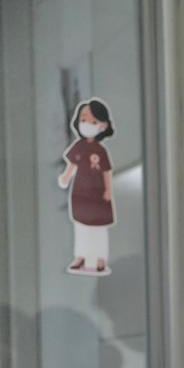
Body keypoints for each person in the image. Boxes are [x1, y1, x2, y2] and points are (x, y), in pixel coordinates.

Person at [57, 98, 117, 275]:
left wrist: (108, 190)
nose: (87, 125)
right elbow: (72, 166)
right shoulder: (79, 147)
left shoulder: (101, 151)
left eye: (92, 121)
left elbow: (106, 171)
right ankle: (80, 256)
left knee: (99, 229)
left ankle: (100, 258)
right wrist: (65, 178)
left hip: (98, 196)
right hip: (80, 195)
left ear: (103, 126)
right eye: (83, 120)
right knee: (81, 227)